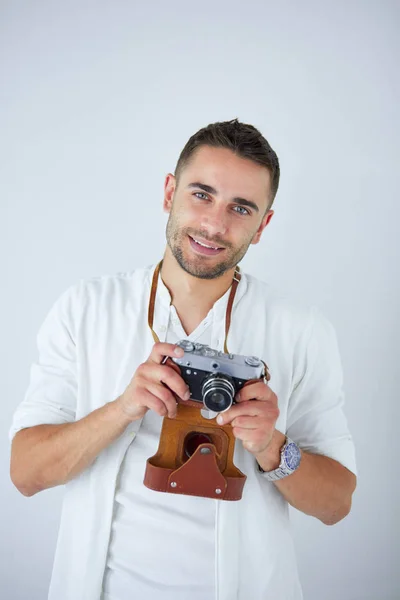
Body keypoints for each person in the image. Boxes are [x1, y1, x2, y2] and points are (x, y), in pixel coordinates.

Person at [9, 118, 357, 600]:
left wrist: (273, 447)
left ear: (263, 225)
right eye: (201, 194)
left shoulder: (302, 330)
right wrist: (123, 407)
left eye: (241, 207)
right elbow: (25, 474)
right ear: (169, 192)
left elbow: (337, 504)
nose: (216, 224)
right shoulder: (87, 308)